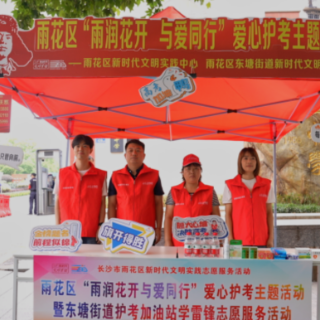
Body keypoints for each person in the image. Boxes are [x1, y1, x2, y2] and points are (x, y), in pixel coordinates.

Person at [108, 139, 164, 244]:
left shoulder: (154, 175)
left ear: (144, 155)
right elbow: (111, 204)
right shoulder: (116, 176)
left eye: (138, 150)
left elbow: (158, 204)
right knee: (124, 260)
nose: (134, 153)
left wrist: (158, 227)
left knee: (148, 260)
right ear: (125, 155)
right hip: (122, 231)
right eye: (130, 150)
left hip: (146, 230)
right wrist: (112, 227)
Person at [54, 134, 107, 244]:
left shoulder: (101, 175)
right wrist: (57, 226)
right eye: (77, 146)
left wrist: (100, 226)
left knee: (92, 261)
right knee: (69, 261)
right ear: (73, 149)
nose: (80, 149)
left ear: (91, 149)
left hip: (91, 231)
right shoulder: (62, 174)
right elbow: (58, 202)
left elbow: (103, 203)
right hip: (67, 230)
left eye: (85, 146)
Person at [165, 154, 221, 246]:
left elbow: (216, 219)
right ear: (182, 172)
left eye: (196, 168)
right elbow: (168, 217)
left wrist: (218, 241)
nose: (192, 172)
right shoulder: (174, 191)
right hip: (178, 244)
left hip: (204, 245)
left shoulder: (210, 191)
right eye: (188, 168)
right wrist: (168, 241)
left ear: (201, 171)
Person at [223, 147, 274, 247]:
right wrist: (230, 238)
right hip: (239, 242)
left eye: (252, 158)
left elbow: (269, 214)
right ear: (240, 162)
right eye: (245, 158)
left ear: (257, 161)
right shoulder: (230, 185)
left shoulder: (266, 185)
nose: (249, 161)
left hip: (262, 241)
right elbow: (228, 214)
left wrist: (271, 238)